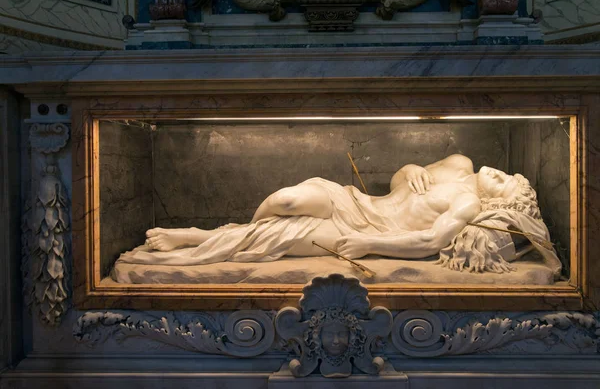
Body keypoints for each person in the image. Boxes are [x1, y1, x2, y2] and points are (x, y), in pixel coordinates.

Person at [125, 154, 560, 277]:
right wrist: (407, 169)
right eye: (506, 171)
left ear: (499, 203)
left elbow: (428, 243)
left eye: (503, 182)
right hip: (355, 201)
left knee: (276, 237)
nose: (496, 173)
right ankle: (224, 233)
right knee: (285, 200)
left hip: (365, 229)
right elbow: (398, 181)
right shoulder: (460, 163)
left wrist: (371, 244)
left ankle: (196, 238)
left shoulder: (468, 206)